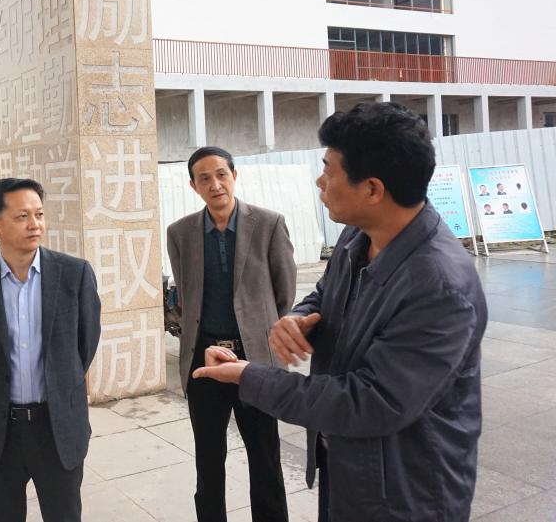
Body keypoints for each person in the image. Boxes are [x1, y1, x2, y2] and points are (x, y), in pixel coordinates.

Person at [192, 102, 487, 522]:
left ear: (372, 189)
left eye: (328, 170)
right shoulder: (356, 237)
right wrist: (298, 318)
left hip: (405, 493)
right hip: (351, 467)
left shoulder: (439, 287)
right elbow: (324, 294)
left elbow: (371, 401)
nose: (320, 181)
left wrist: (249, 376)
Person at [0, 178, 101, 522]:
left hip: (57, 427)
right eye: (22, 216)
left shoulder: (74, 274)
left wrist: (62, 383)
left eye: (39, 214)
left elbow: (85, 343)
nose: (35, 224)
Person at [166, 146, 295, 522]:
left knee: (265, 458)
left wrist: (261, 338)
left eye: (221, 174)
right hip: (204, 361)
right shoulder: (180, 233)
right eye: (204, 178)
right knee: (208, 461)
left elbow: (284, 294)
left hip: (256, 360)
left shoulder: (269, 224)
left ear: (234, 176)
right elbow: (187, 297)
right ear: (193, 186)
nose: (215, 184)